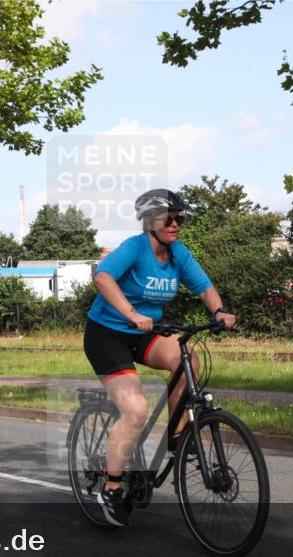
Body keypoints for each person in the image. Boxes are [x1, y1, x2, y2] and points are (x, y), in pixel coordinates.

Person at [84, 188, 236, 526]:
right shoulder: (135, 249)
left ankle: (179, 436)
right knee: (135, 410)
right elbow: (103, 277)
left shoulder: (179, 253)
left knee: (188, 359)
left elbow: (204, 287)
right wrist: (130, 312)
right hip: (107, 334)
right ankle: (110, 487)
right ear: (150, 221)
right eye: (170, 218)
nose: (176, 224)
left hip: (146, 333)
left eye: (179, 218)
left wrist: (220, 311)